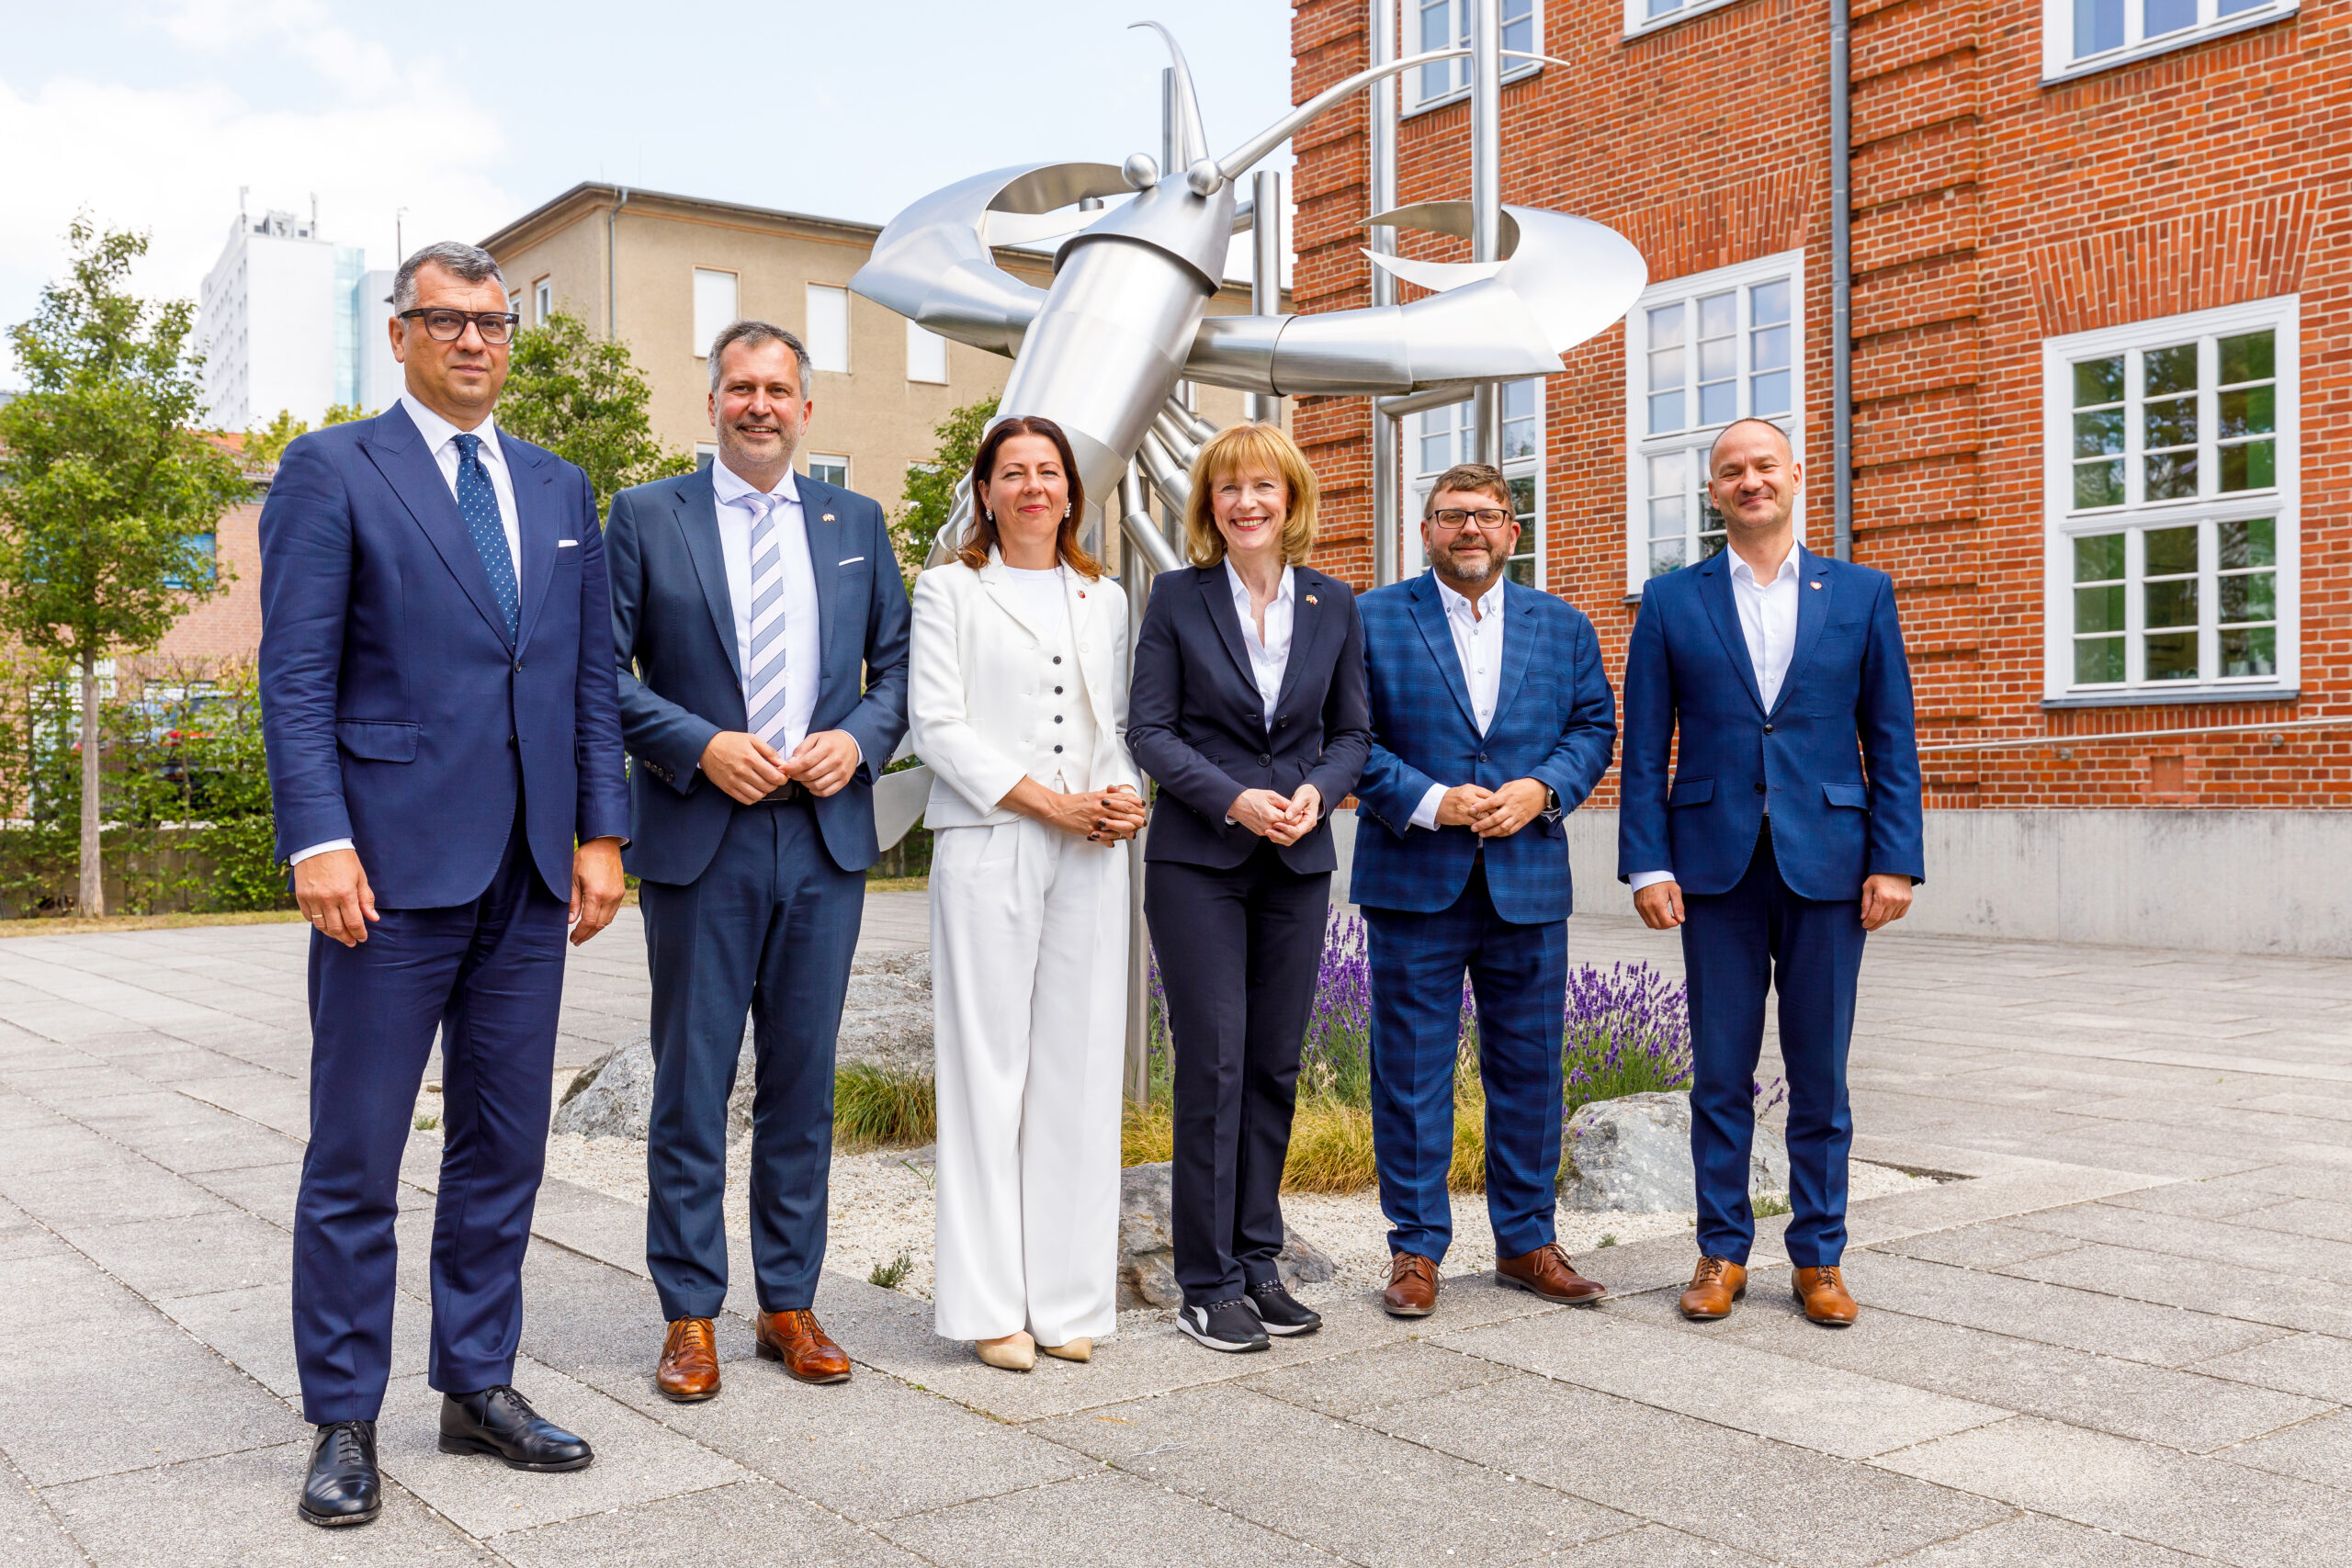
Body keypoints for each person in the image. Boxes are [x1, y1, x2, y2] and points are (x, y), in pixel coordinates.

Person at [259, 242, 629, 1529]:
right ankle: (343, 1417)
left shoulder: (557, 483)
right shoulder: (332, 469)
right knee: (356, 1154)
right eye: (448, 319)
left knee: (503, 1147)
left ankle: (477, 1385)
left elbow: (585, 676)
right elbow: (294, 671)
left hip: (527, 873)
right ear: (401, 332)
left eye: (493, 321)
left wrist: (601, 830)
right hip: (386, 869)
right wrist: (317, 837)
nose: (475, 340)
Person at [605, 321, 911, 1398]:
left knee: (801, 1081)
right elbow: (600, 670)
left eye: (778, 390)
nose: (759, 406)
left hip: (823, 837)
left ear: (806, 409)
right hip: (703, 834)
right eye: (740, 388)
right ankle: (689, 1313)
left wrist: (859, 741)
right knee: (692, 1083)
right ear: (712, 404)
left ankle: (789, 1301)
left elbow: (899, 669)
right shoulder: (648, 515)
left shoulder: (854, 521)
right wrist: (699, 745)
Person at [1619, 417, 1923, 1328]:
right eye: (1730, 471)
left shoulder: (1861, 593)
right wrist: (1646, 862)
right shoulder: (1670, 600)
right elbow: (1646, 748)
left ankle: (1819, 1257)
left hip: (1830, 864)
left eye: (1763, 466)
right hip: (1712, 867)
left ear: (1794, 475)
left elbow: (1890, 738)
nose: (1748, 481)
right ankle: (1721, 1252)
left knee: (1820, 1075)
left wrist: (1895, 859)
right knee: (1720, 1074)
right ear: (1712, 491)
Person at [1349, 463, 1617, 1320]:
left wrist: (1543, 788)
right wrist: (1432, 800)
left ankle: (1527, 1242)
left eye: (1488, 514)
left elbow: (1593, 726)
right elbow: (1346, 737)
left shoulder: (1563, 625)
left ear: (1513, 529)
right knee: (1410, 1072)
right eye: (1452, 514)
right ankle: (1416, 1248)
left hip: (1526, 879)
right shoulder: (1370, 619)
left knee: (1531, 1069)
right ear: (1426, 529)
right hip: (1413, 877)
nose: (1471, 528)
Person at [908, 414, 1147, 1371]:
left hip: (1091, 848)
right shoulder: (948, 589)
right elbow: (936, 726)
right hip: (989, 840)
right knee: (986, 1071)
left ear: (1071, 492)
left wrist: (1121, 795)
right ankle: (988, 1307)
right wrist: (1049, 803)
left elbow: (1111, 724)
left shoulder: (1104, 596)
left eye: (1049, 471)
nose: (1033, 486)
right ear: (986, 489)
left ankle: (1068, 1299)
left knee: (1079, 1069)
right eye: (1013, 472)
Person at [1128, 423, 1371, 1354]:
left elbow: (1352, 732)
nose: (1246, 503)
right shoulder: (1177, 598)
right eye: (1228, 488)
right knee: (1215, 1064)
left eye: (1263, 486)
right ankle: (1205, 1283)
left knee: (1273, 1064)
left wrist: (1319, 791)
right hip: (1199, 861)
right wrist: (1233, 798)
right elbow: (1150, 732)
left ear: (1290, 498)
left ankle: (1258, 1261)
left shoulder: (1331, 602)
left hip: (1296, 862)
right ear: (1209, 505)